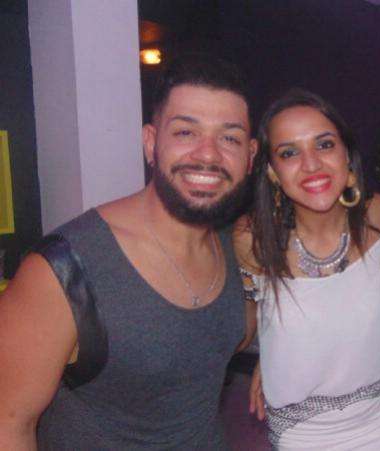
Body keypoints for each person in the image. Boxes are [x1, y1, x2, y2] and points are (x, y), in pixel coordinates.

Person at [0, 53, 258, 449]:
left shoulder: (235, 243)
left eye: (229, 138)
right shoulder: (64, 270)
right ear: (151, 143)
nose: (208, 154)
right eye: (185, 132)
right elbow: (8, 423)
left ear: (250, 157)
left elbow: (218, 342)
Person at [237, 89, 380, 450]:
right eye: (289, 153)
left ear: (347, 154)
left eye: (325, 145)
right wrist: (270, 355)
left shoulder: (377, 214)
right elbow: (244, 328)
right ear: (272, 172)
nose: (311, 164)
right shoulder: (252, 239)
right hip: (299, 426)